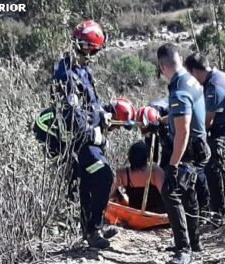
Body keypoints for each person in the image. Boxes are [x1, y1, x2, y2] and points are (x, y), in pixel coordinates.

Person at [34, 20, 130, 249]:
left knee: (92, 181)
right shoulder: (66, 74)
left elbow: (90, 105)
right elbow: (72, 114)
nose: (93, 55)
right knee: (103, 175)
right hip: (77, 141)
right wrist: (94, 134)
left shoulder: (81, 69)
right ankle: (92, 230)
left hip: (87, 136)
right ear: (87, 47)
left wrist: (104, 115)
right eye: (93, 50)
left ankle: (93, 226)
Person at [156, 43, 211, 264]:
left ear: (162, 66)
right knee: (188, 194)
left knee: (171, 190)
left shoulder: (179, 89)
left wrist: (173, 164)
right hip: (198, 146)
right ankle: (194, 242)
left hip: (189, 149)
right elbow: (183, 116)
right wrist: (162, 121)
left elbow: (183, 130)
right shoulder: (189, 80)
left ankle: (183, 250)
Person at [184, 53, 225, 222]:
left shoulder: (215, 87)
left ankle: (220, 214)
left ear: (195, 71)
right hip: (224, 131)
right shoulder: (215, 78)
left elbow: (206, 123)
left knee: (211, 166)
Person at [111, 141, 165, 213]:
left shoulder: (122, 174)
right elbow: (166, 196)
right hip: (139, 214)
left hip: (153, 215)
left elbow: (109, 193)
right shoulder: (155, 171)